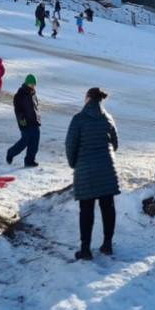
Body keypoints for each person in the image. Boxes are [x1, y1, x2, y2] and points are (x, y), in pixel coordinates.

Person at [65, 87, 119, 260]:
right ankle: (107, 244)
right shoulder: (108, 118)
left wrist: (74, 164)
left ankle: (85, 249)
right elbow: (115, 143)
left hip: (86, 170)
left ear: (88, 98)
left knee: (86, 210)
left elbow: (70, 145)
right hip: (107, 169)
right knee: (108, 207)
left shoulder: (78, 119)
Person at [7, 75, 41, 167]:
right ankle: (11, 153)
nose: (33, 86)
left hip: (34, 122)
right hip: (25, 123)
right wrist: (21, 119)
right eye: (31, 84)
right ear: (27, 83)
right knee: (24, 142)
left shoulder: (33, 93)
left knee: (35, 142)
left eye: (34, 84)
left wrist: (38, 118)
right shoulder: (20, 94)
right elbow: (18, 109)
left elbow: (35, 108)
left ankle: (29, 161)